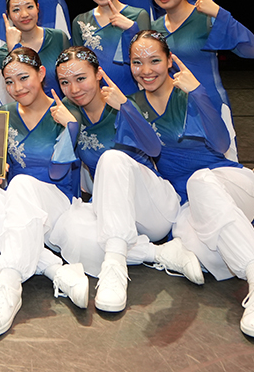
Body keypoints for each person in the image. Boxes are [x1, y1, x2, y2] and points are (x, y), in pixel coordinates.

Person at [127, 31, 254, 339]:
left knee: (200, 181)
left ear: (170, 60)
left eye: (155, 60)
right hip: (190, 203)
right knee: (209, 260)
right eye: (137, 62)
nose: (146, 70)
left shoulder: (192, 93)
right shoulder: (132, 105)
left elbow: (222, 143)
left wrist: (198, 93)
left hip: (228, 183)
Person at [46, 46, 203, 313]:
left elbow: (154, 149)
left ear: (98, 74)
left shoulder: (123, 103)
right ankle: (158, 253)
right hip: (114, 215)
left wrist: (126, 108)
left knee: (112, 159)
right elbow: (57, 173)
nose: (74, 89)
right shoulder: (67, 114)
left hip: (152, 208)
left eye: (81, 78)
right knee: (65, 228)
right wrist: (71, 128)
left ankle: (115, 268)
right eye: (65, 82)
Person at [0, 48, 89, 337]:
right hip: (21, 208)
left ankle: (8, 285)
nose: (17, 88)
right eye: (9, 82)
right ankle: (54, 268)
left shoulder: (65, 110)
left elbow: (58, 172)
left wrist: (70, 127)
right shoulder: (5, 114)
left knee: (22, 184)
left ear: (41, 73)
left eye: (24, 78)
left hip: (56, 204)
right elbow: (2, 168)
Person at [149, 0, 254, 159]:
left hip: (209, 104)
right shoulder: (154, 28)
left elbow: (253, 50)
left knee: (223, 167)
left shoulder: (206, 18)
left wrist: (219, 13)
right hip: (173, 112)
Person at [71, 0, 150, 94]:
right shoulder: (80, 21)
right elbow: (77, 68)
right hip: (95, 98)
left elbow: (149, 60)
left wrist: (132, 29)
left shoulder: (138, 16)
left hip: (131, 96)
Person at [3, 0, 70, 97]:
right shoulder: (5, 51)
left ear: (37, 7)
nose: (24, 14)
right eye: (16, 10)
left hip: (61, 106)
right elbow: (19, 86)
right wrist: (13, 49)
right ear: (8, 15)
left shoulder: (58, 38)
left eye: (29, 7)